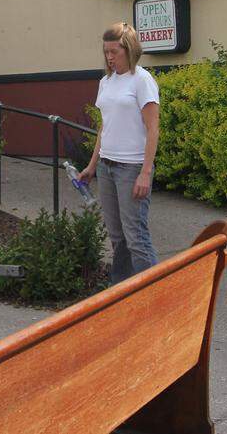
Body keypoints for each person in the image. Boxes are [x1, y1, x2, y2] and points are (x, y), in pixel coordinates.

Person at [78, 22, 160, 285]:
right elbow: (105, 127)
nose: (109, 57)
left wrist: (145, 172)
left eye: (115, 51)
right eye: (106, 52)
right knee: (117, 236)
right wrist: (92, 165)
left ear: (130, 50)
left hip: (132, 168)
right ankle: (122, 289)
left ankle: (156, 292)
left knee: (136, 236)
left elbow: (153, 128)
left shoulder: (142, 81)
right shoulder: (106, 82)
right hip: (107, 167)